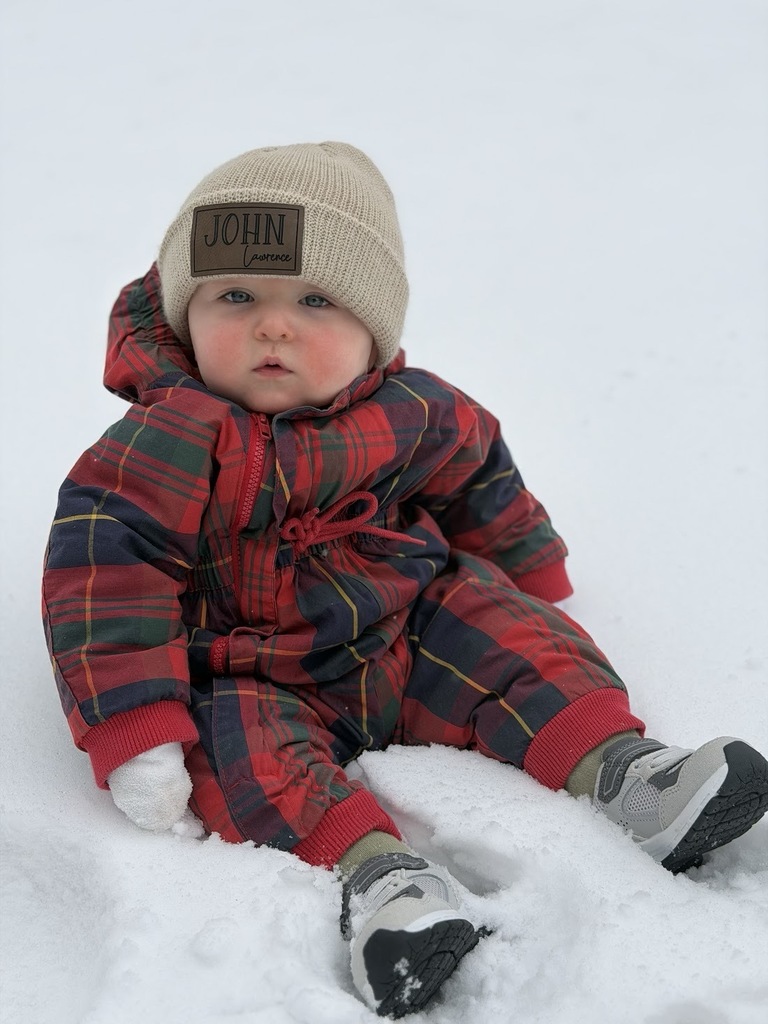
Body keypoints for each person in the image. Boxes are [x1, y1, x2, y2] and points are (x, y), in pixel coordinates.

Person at [42, 142, 768, 1018]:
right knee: (245, 758)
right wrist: (136, 728)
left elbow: (476, 468)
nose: (274, 325)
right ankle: (382, 881)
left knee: (505, 629)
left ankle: (628, 773)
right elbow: (101, 579)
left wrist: (524, 558)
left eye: (315, 300)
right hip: (249, 666)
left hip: (406, 622)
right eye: (236, 296)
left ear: (374, 327)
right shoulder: (160, 445)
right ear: (185, 314)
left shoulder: (413, 409)